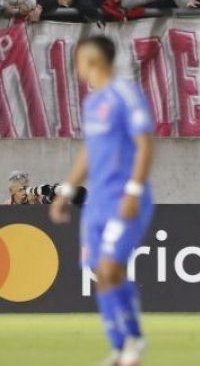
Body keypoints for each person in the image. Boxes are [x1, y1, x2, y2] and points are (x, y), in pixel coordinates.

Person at [50, 35, 155, 365]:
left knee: (110, 268)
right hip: (97, 201)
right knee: (101, 272)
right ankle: (121, 346)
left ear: (92, 60)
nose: (76, 67)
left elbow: (145, 145)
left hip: (124, 196)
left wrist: (134, 190)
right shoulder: (92, 102)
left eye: (78, 60)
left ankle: (134, 340)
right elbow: (89, 151)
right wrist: (66, 190)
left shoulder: (125, 93)